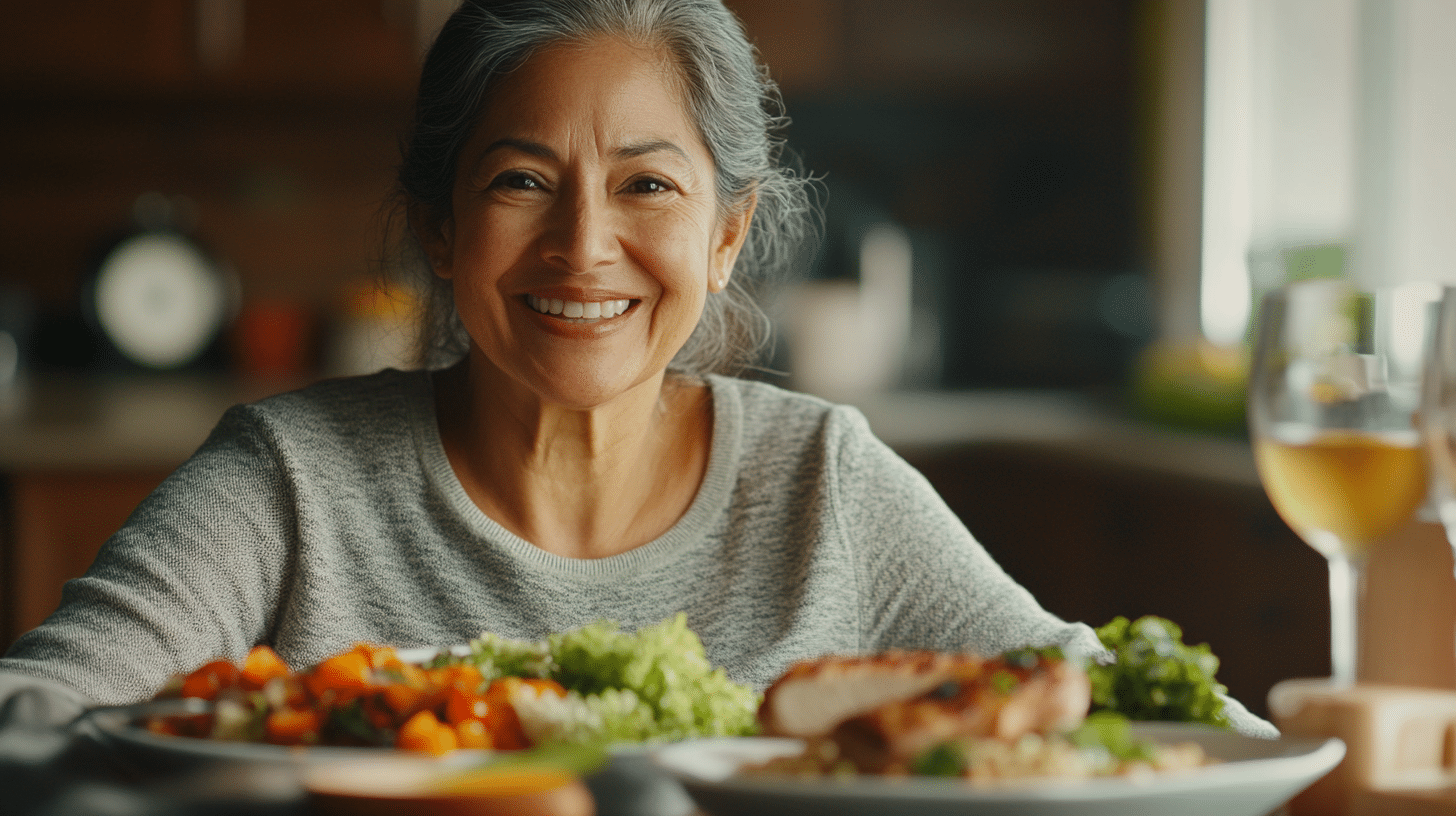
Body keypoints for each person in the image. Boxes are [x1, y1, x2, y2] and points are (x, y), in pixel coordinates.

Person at [0, 0, 1272, 739]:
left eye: (647, 186)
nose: (583, 247)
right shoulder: (292, 478)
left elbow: (1130, 729)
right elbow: (35, 720)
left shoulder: (822, 480)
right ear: (440, 227)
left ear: (725, 237)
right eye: (518, 182)